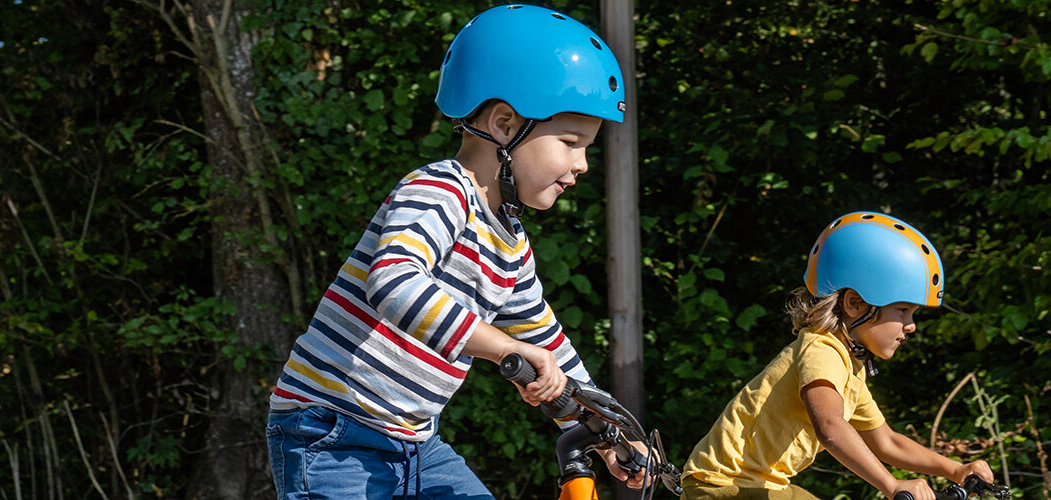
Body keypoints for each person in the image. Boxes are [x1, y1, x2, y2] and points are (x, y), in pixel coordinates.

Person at [266, 5, 642, 499]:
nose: (583, 164)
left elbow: (546, 343)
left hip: (416, 446)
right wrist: (505, 349)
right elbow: (395, 282)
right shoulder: (440, 190)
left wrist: (607, 431)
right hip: (334, 432)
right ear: (505, 124)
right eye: (571, 142)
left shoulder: (510, 242)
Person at [679, 212, 997, 500]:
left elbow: (887, 442)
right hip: (723, 486)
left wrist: (956, 469)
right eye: (902, 310)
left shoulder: (850, 367)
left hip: (761, 486)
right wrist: (891, 485)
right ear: (855, 303)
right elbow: (830, 426)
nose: (911, 325)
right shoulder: (822, 350)